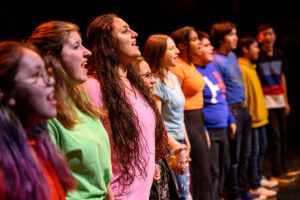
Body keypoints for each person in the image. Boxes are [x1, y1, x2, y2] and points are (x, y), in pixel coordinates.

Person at [82, 14, 168, 200]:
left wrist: (149, 163)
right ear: (107, 42)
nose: (135, 34)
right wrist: (107, 192)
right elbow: (88, 150)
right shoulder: (94, 87)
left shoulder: (134, 83)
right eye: (124, 30)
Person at [28, 21, 113, 199]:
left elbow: (100, 177)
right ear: (52, 58)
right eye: (76, 46)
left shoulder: (80, 97)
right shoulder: (45, 114)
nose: (87, 52)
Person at [0, 41, 74, 200]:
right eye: (36, 75)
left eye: (47, 73)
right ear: (6, 92)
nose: (51, 81)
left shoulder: (40, 146)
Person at [210, 22, 260, 200]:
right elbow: (221, 91)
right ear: (222, 39)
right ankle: (234, 194)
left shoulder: (232, 56)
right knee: (235, 157)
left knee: (245, 154)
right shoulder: (216, 61)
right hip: (233, 112)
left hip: (243, 109)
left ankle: (242, 189)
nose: (236, 38)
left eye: (236, 34)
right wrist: (231, 117)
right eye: (232, 35)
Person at [144, 34, 192, 200]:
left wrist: (186, 142)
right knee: (181, 194)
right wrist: (177, 147)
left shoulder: (173, 78)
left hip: (180, 144)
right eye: (171, 48)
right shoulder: (155, 83)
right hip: (169, 145)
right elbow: (158, 122)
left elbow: (180, 115)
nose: (177, 51)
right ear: (159, 53)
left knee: (186, 192)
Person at [191, 31, 235, 200]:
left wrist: (230, 119)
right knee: (212, 172)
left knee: (224, 168)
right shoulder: (194, 73)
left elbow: (222, 95)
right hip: (209, 130)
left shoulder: (212, 67)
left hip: (223, 126)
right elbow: (195, 106)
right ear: (198, 49)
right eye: (207, 46)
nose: (212, 49)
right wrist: (203, 130)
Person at [170, 26, 212, 200]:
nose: (198, 43)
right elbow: (176, 102)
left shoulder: (190, 64)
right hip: (187, 119)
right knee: (200, 173)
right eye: (194, 39)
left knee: (206, 172)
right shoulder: (177, 67)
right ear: (182, 45)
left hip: (198, 118)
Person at [256, 24, 300, 183]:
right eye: (264, 34)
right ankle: (275, 172)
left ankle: (282, 169)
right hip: (267, 102)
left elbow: (282, 78)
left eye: (270, 33)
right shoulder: (258, 56)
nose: (268, 37)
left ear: (274, 36)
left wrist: (286, 101)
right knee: (275, 137)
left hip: (280, 100)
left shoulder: (279, 54)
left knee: (283, 136)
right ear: (259, 38)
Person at [133, 56, 180, 200]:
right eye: (147, 76)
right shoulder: (133, 107)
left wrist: (179, 147)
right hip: (148, 170)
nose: (153, 80)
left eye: (151, 74)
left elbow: (161, 131)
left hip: (159, 165)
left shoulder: (147, 102)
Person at [237, 35, 277, 197]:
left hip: (261, 117)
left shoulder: (251, 66)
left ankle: (258, 178)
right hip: (252, 119)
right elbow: (244, 96)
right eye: (255, 47)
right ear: (246, 49)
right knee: (253, 152)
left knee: (261, 149)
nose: (258, 50)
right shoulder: (242, 68)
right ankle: (254, 184)